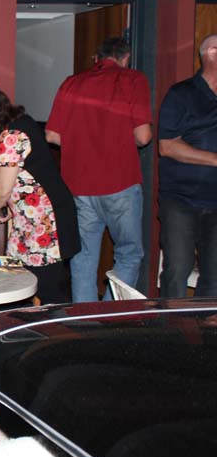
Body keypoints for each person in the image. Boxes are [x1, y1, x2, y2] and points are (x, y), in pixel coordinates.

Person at [46, 37, 152, 302]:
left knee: (82, 257)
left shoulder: (71, 83)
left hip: (78, 185)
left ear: (97, 58)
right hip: (120, 181)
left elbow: (52, 135)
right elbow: (144, 137)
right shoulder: (133, 80)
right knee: (128, 254)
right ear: (125, 58)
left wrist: (83, 143)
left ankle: (86, 321)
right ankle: (110, 316)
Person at [0, 83, 79, 304]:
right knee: (20, 289)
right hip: (33, 224)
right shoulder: (22, 124)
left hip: (44, 225)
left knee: (49, 295)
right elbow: (25, 171)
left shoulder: (11, 136)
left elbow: (4, 190)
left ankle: (63, 326)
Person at [157, 34, 217, 298]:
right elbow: (167, 146)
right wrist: (214, 159)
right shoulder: (181, 94)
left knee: (214, 278)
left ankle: (205, 325)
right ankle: (169, 324)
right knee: (177, 271)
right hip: (181, 200)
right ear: (212, 53)